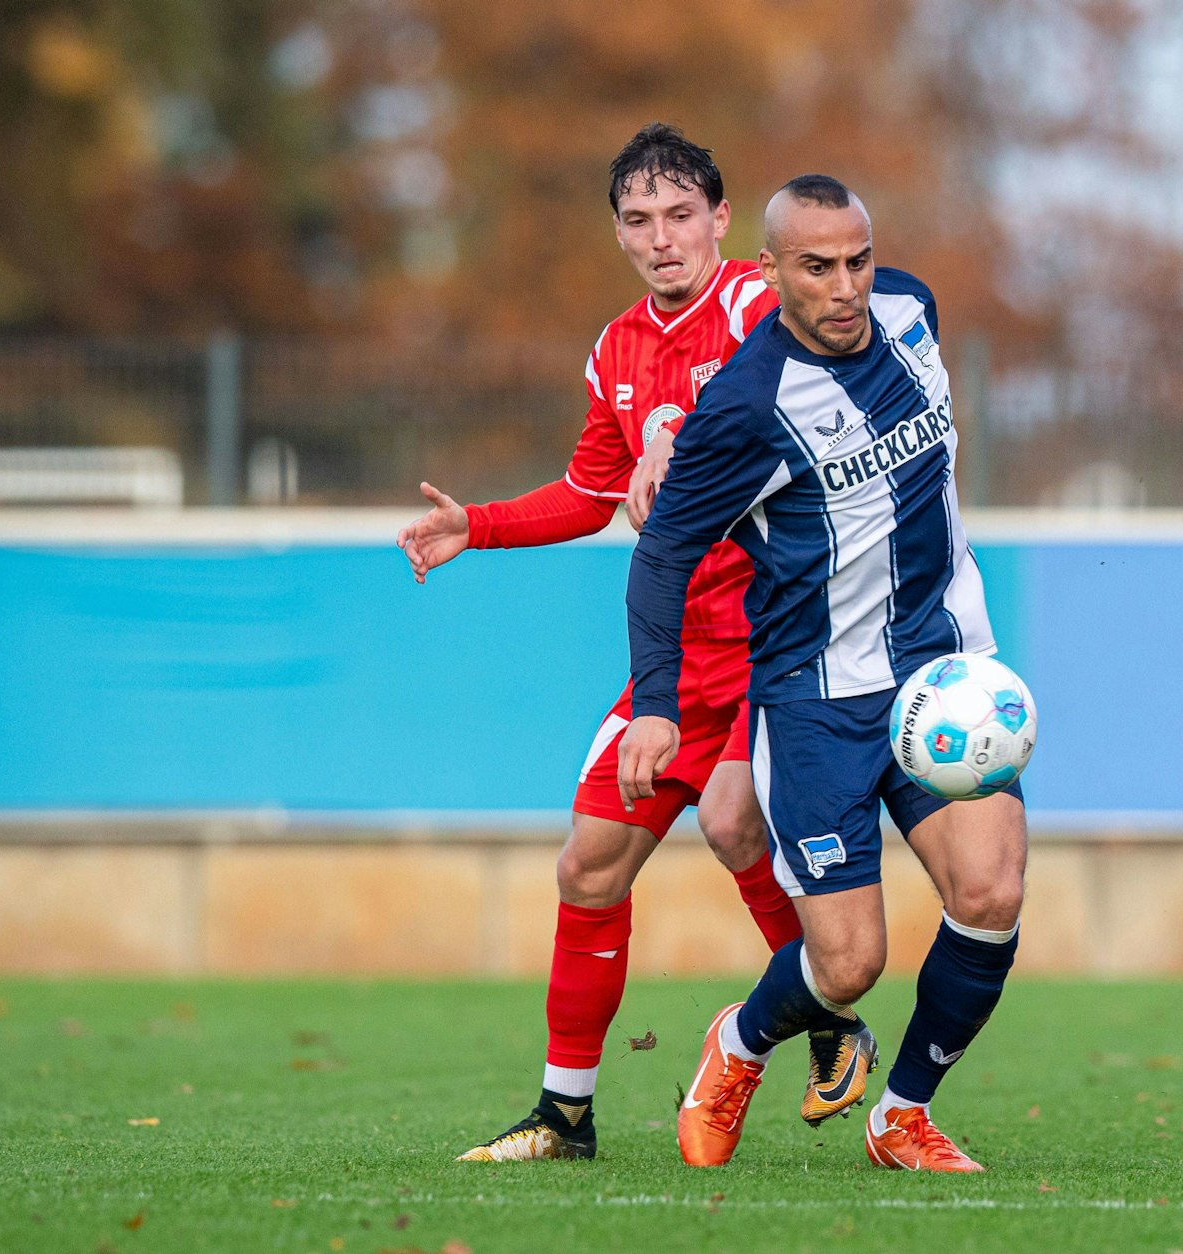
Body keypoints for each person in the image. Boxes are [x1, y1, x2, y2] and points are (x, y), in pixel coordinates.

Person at [398, 128, 875, 1163]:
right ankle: (565, 1114)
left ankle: (829, 1009)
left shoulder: (758, 303)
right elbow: (589, 490)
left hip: (777, 640)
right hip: (676, 655)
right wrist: (471, 525)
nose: (660, 239)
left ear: (719, 218)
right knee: (588, 866)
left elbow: (805, 383)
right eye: (637, 220)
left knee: (734, 819)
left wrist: (682, 441)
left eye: (678, 215)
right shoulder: (614, 349)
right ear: (617, 233)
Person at [620, 175, 1028, 1173]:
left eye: (856, 260)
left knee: (988, 893)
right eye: (816, 267)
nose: (844, 286)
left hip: (941, 673)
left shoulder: (910, 311)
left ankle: (900, 1117)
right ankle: (740, 1041)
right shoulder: (747, 408)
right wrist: (659, 708)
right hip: (813, 703)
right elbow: (661, 556)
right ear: (769, 273)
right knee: (847, 965)